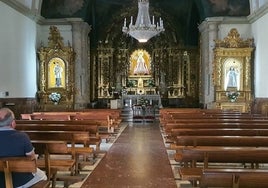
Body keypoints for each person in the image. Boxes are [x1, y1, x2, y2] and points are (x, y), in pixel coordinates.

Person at [0, 108, 47, 188]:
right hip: (20, 180)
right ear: (13, 123)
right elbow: (32, 159)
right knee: (43, 176)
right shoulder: (22, 137)